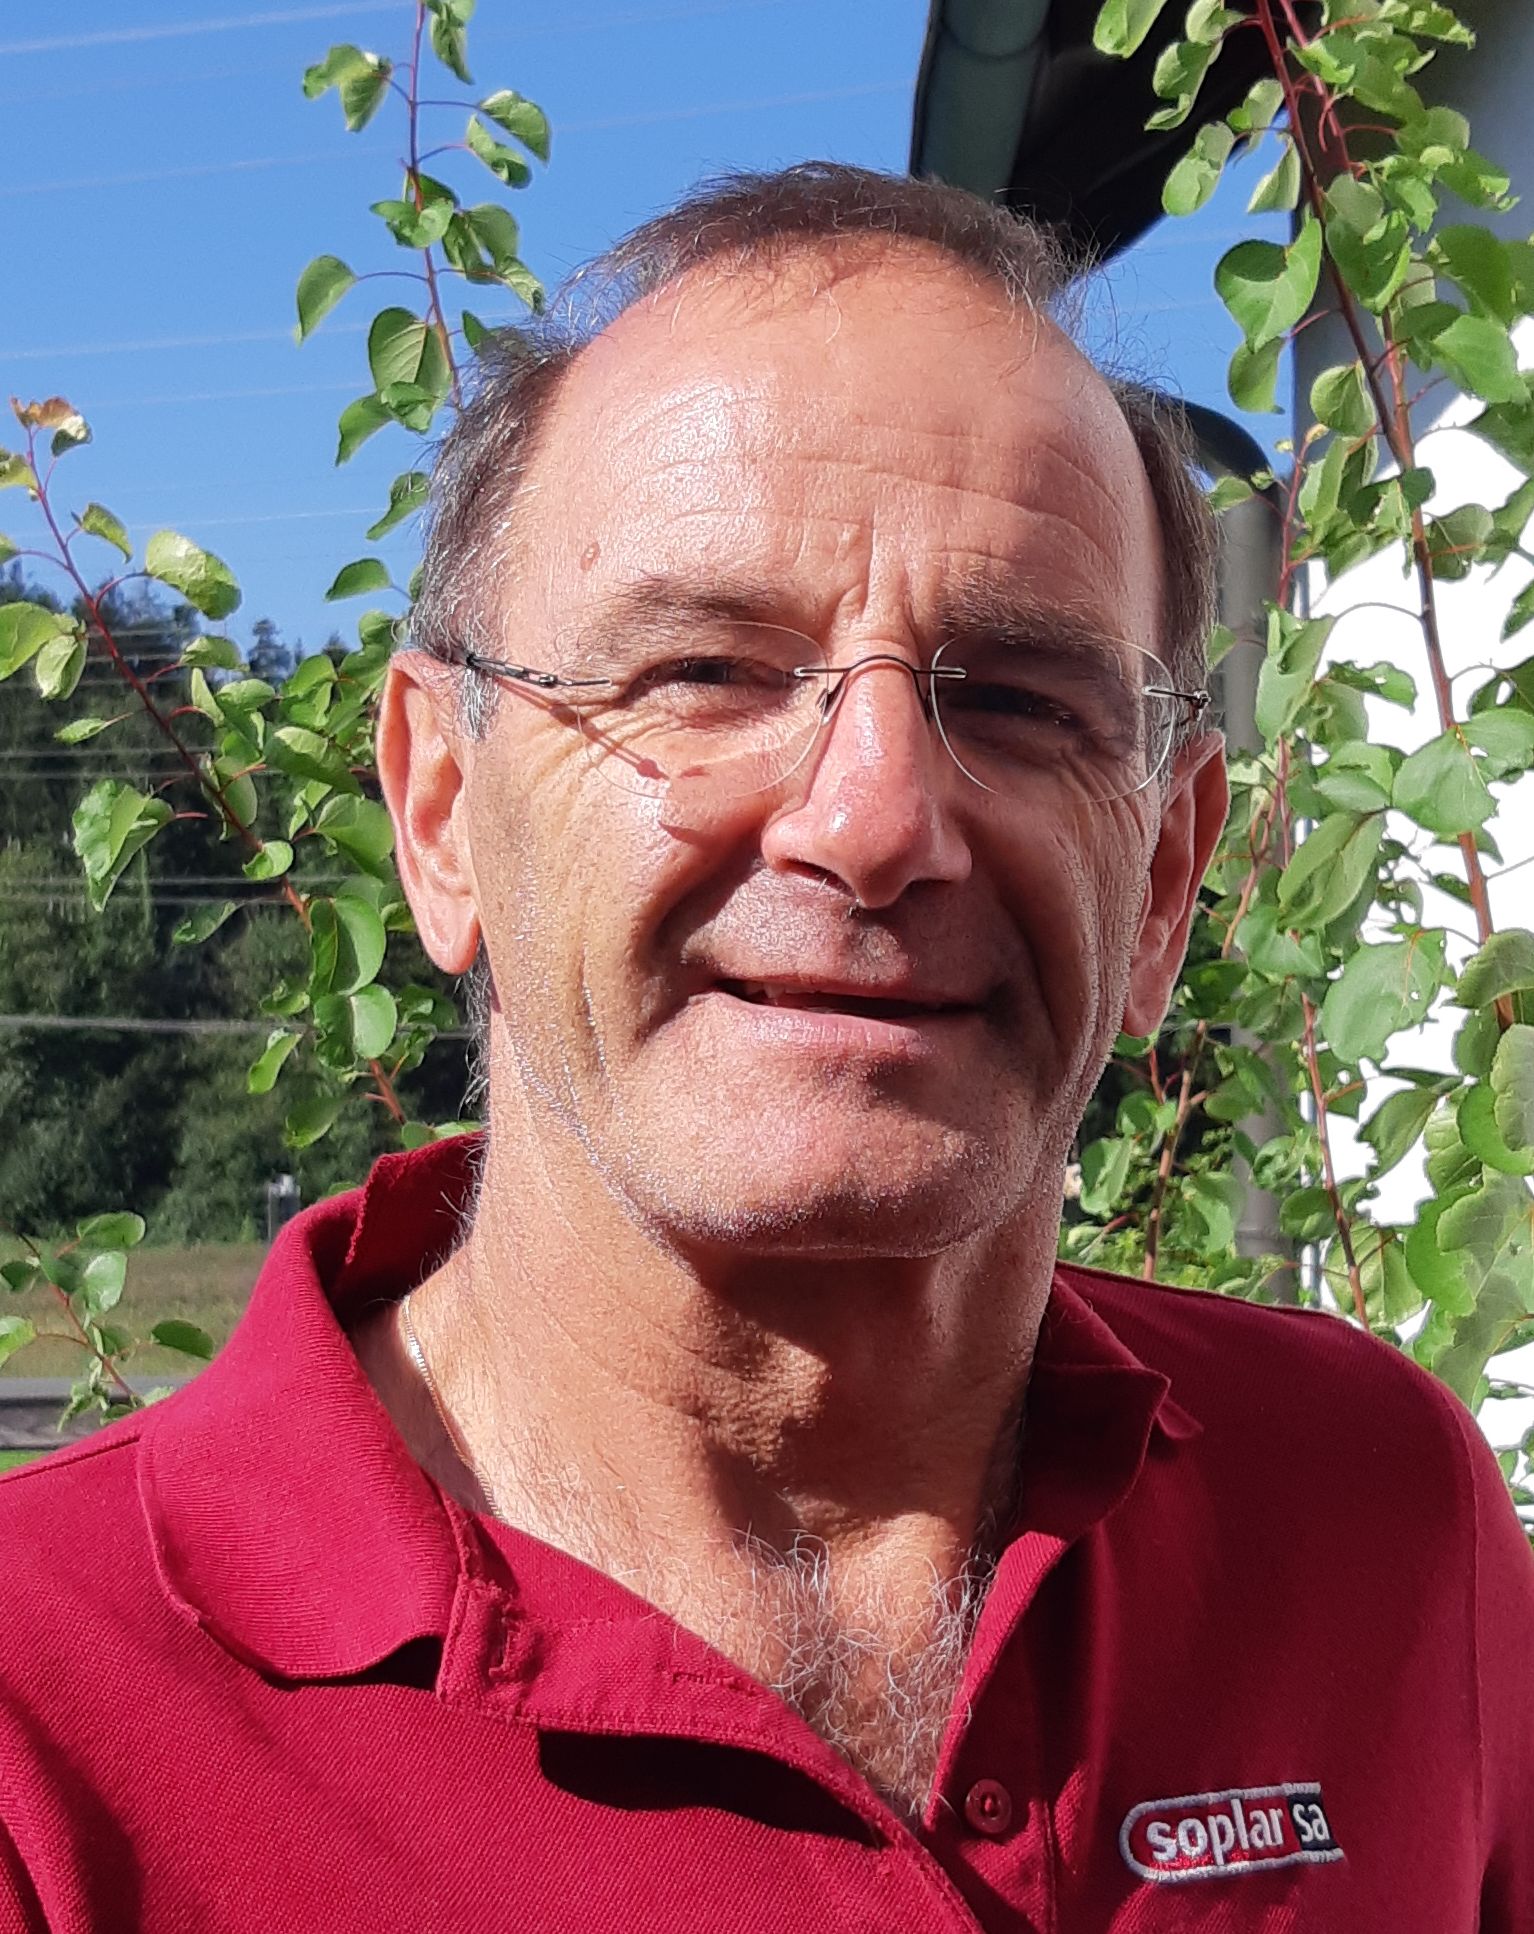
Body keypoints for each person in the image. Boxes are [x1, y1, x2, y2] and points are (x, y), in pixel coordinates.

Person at [2, 164, 1530, 1932]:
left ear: (1167, 875)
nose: (874, 822)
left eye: (1019, 699)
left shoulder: (1374, 1517)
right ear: (439, 811)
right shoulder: (47, 1725)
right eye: (704, 673)